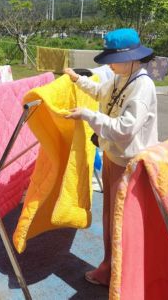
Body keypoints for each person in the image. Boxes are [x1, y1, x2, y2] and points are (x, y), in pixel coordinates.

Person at [64, 28, 158, 287]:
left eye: (112, 60)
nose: (110, 65)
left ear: (131, 57)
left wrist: (87, 115)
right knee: (111, 215)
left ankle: (117, 271)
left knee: (120, 219)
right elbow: (100, 93)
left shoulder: (142, 86)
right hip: (113, 156)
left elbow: (125, 129)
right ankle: (112, 265)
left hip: (129, 162)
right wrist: (76, 80)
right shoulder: (121, 77)